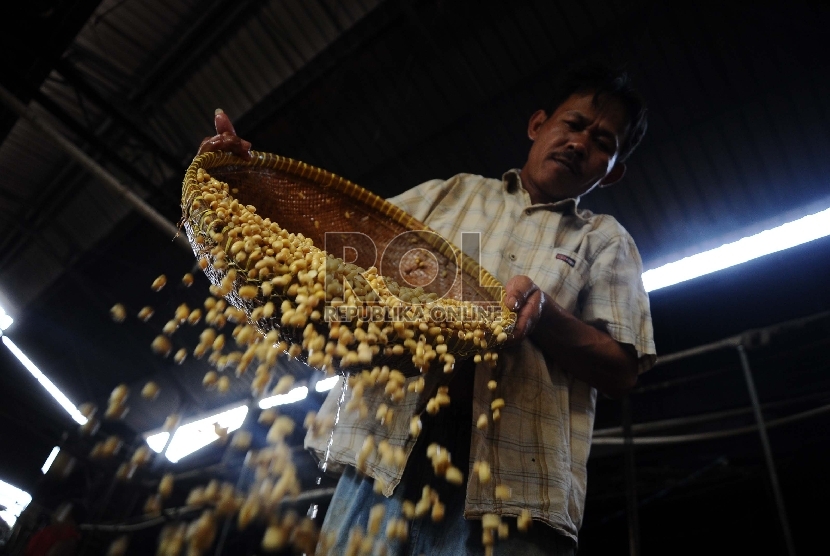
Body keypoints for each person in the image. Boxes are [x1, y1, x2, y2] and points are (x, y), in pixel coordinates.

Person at [197, 62, 656, 555]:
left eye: (603, 143)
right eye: (573, 124)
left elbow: (622, 370)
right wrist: (246, 181)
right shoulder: (451, 195)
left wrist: (544, 316)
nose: (581, 144)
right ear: (538, 124)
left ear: (614, 173)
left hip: (514, 493)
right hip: (381, 457)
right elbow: (334, 252)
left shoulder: (603, 240)